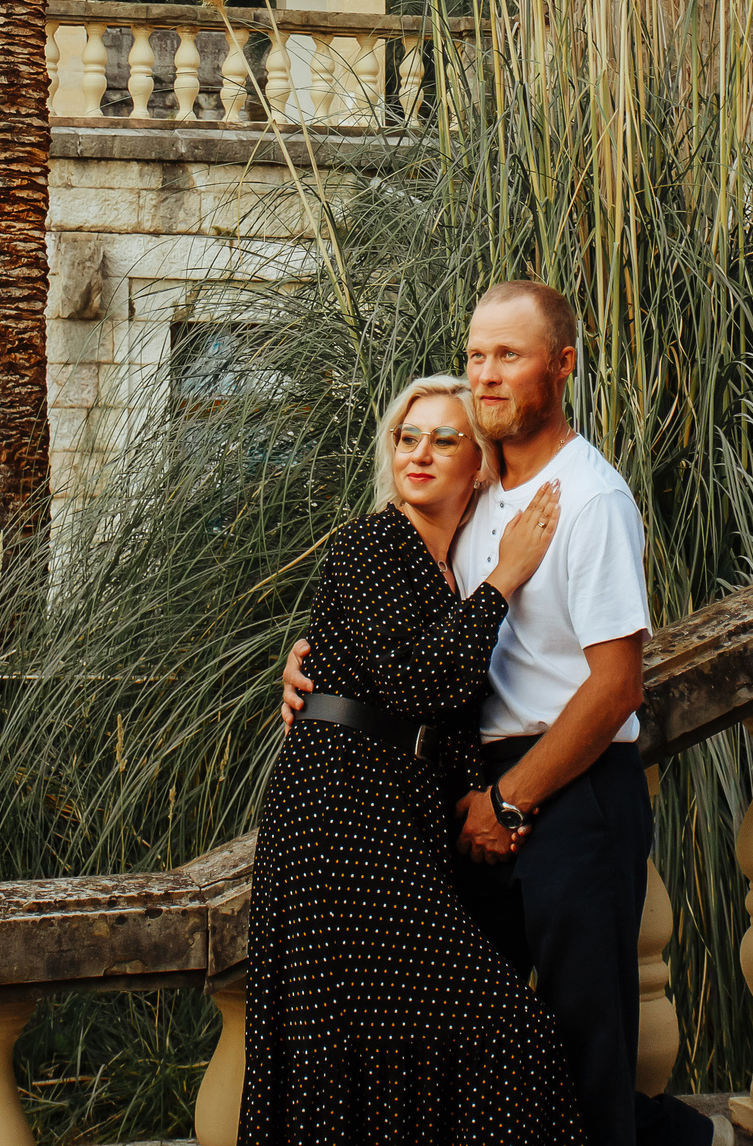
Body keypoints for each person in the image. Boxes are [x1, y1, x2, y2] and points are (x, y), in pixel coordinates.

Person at [283, 284, 712, 1146]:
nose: (484, 374)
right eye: (476, 354)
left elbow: (615, 688)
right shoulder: (477, 493)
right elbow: (398, 620)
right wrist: (306, 669)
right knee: (460, 1045)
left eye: (508, 356)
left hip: (569, 792)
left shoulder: (586, 500)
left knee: (585, 1042)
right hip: (464, 802)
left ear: (563, 364)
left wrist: (509, 799)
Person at [242, 372, 586, 1146]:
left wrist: (484, 804)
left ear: (480, 465)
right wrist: (506, 579)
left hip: (392, 817)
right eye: (407, 437)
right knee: (506, 1029)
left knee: (390, 1045)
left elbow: (453, 715)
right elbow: (414, 680)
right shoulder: (374, 540)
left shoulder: (448, 573)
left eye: (444, 439)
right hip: (339, 815)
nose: (419, 454)